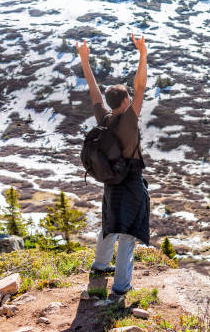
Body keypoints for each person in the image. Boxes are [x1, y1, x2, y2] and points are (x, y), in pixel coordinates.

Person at [76, 34, 149, 295]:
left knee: (109, 224)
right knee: (128, 234)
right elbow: (140, 87)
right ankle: (120, 289)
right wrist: (143, 54)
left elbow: (94, 91)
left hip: (110, 181)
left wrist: (84, 59)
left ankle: (99, 267)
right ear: (126, 102)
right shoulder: (128, 120)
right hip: (130, 182)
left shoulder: (103, 117)